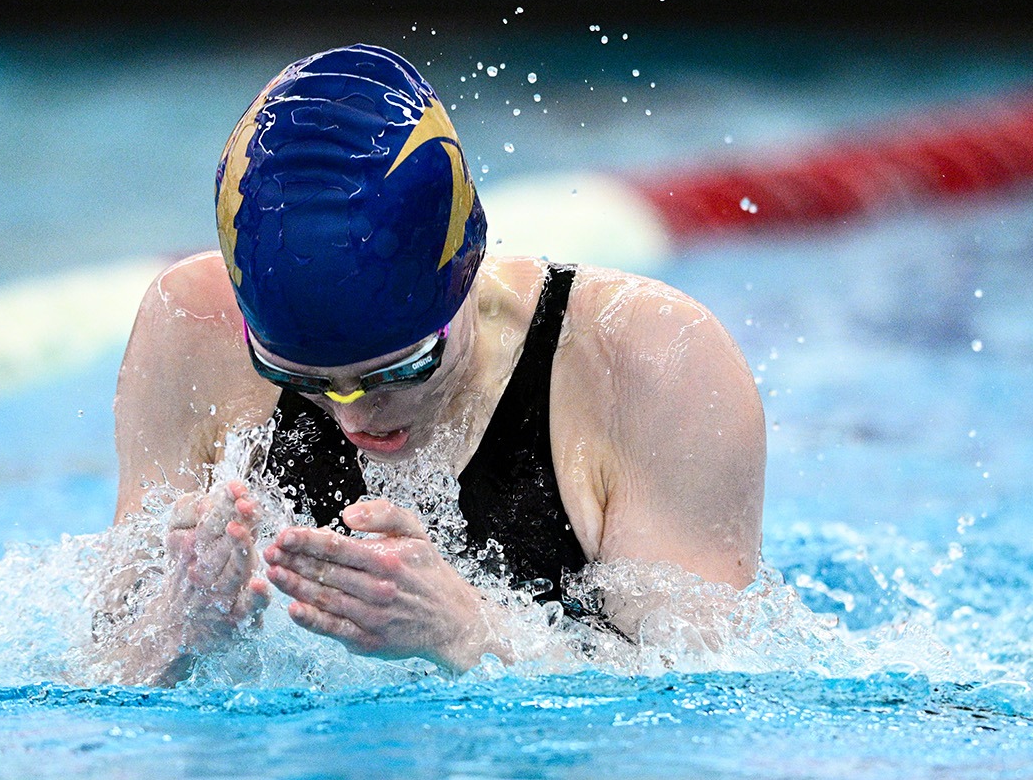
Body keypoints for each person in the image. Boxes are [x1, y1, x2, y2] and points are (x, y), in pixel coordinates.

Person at [106, 44, 764, 686]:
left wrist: (471, 633)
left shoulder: (651, 364)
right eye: (298, 380)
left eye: (399, 370)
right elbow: (102, 666)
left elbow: (702, 697)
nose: (354, 416)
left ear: (466, 270)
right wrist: (177, 627)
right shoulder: (193, 329)